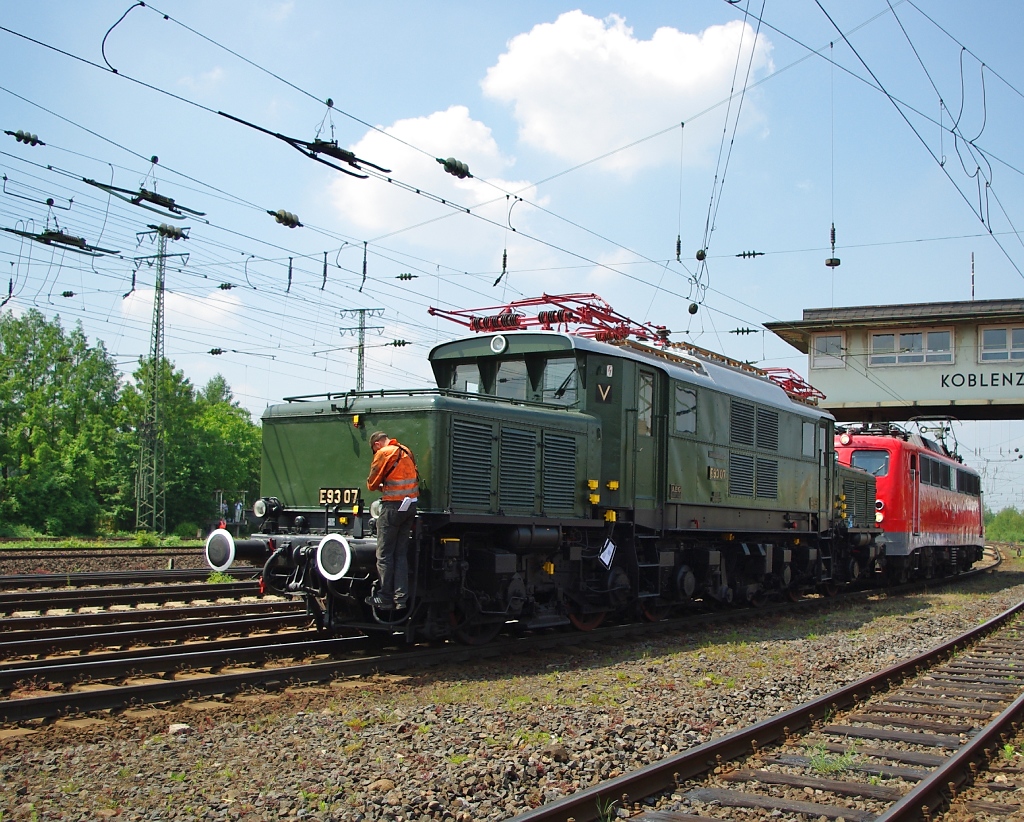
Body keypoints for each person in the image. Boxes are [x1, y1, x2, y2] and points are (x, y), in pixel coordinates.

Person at [365, 430, 419, 610]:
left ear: (377, 444)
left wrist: (382, 486)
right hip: (410, 506)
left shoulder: (383, 453)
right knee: (400, 553)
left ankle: (385, 596)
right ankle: (400, 599)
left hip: (392, 507)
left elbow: (372, 484)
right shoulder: (406, 451)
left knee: (384, 553)